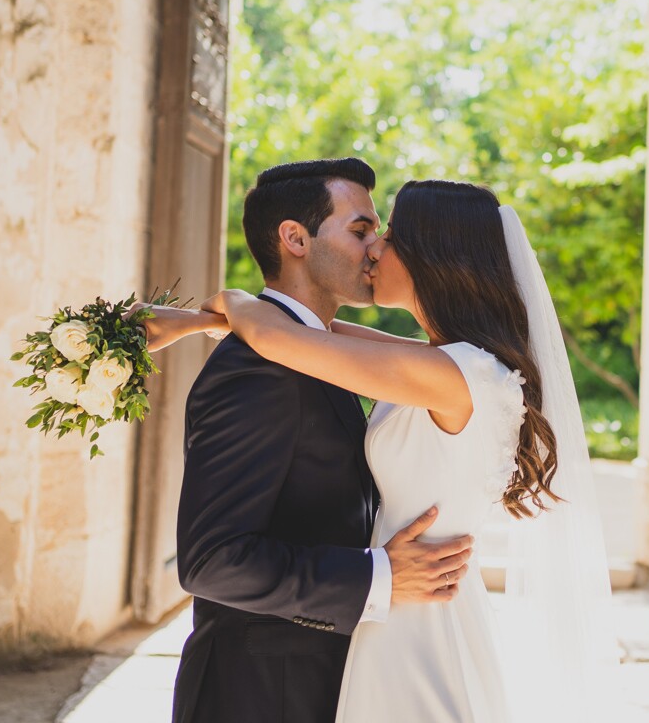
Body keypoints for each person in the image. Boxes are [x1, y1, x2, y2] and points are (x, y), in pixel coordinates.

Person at [198, 178, 615, 722]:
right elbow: (323, 330)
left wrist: (232, 299)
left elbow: (287, 340)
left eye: (389, 235)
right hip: (408, 606)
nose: (375, 247)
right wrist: (199, 322)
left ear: (433, 257)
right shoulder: (454, 363)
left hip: (419, 621)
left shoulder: (453, 374)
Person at [138, 159, 475, 723]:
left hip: (330, 679)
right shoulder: (256, 369)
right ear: (294, 238)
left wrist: (223, 313)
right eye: (361, 230)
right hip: (258, 693)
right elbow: (212, 561)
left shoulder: (317, 353)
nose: (375, 250)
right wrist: (378, 576)